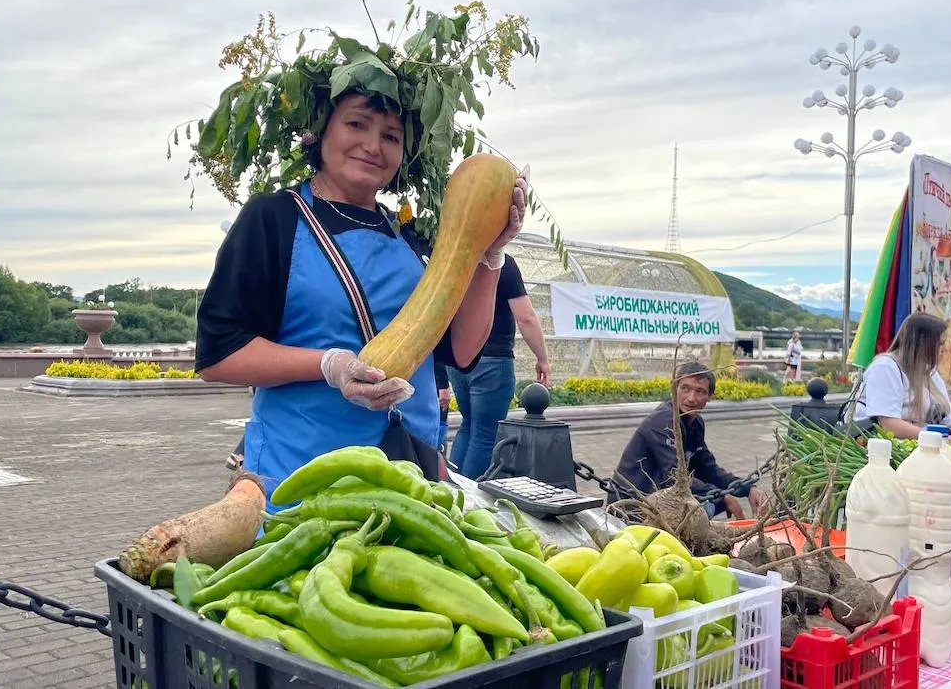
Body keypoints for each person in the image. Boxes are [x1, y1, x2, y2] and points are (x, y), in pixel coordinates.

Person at [196, 90, 528, 511]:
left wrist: (489, 254)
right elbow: (219, 355)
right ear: (319, 133)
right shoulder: (274, 218)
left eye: (391, 136)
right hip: (304, 480)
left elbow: (461, 351)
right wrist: (328, 365)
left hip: (410, 477)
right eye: (356, 124)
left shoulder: (409, 234)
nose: (373, 146)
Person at [608, 361, 767, 519]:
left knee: (715, 501)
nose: (691, 398)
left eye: (700, 391)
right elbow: (674, 477)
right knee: (710, 505)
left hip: (660, 499)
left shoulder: (695, 422)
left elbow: (707, 468)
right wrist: (722, 497)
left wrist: (748, 488)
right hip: (632, 507)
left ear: (709, 396)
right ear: (674, 389)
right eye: (685, 388)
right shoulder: (664, 421)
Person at [447, 254, 549, 480]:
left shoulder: (458, 257)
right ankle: (470, 496)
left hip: (458, 360)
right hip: (493, 361)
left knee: (468, 424)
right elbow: (526, 318)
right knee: (485, 433)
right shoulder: (502, 262)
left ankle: (452, 485)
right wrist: (542, 358)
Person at [855, 312, 951, 442]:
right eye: (941, 344)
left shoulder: (930, 373)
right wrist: (945, 440)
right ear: (922, 344)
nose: (945, 349)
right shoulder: (885, 367)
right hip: (882, 448)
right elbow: (889, 425)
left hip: (920, 444)